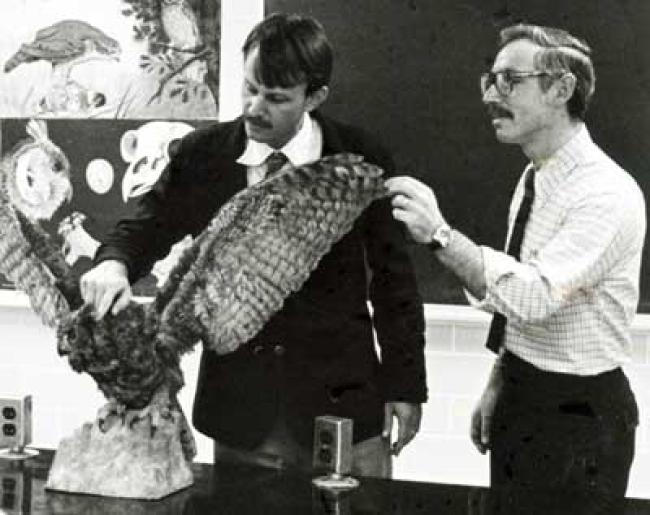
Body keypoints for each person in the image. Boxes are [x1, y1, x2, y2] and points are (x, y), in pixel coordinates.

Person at [79, 12, 427, 477]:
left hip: (343, 409)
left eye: (276, 97)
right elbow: (148, 224)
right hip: (243, 414)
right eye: (250, 87)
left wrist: (405, 385)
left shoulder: (360, 156)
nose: (254, 107)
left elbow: (394, 280)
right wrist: (114, 263)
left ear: (315, 96)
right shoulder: (204, 154)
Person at [386, 23, 645, 508]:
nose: (491, 94)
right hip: (524, 396)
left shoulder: (606, 193)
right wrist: (503, 379)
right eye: (490, 79)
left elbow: (535, 295)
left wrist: (440, 235)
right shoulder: (535, 177)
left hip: (581, 418)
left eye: (509, 80)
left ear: (561, 89)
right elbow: (519, 306)